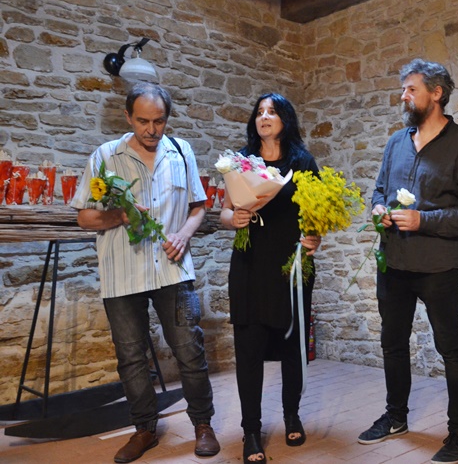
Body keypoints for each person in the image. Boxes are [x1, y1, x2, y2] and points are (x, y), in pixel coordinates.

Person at [72, 82, 219, 463]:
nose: (152, 129)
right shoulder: (105, 156)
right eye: (143, 121)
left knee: (189, 349)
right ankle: (144, 430)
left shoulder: (181, 151)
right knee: (131, 357)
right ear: (127, 117)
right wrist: (121, 215)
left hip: (173, 270)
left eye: (159, 121)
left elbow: (199, 207)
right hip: (122, 274)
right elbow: (84, 216)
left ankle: (203, 424)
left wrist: (184, 234)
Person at [357, 59, 458, 464]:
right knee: (393, 344)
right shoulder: (396, 142)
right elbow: (379, 190)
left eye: (411, 89)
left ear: (436, 93)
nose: (403, 96)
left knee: (451, 347)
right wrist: (379, 210)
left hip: (438, 266)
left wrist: (423, 220)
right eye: (403, 89)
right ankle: (395, 417)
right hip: (394, 261)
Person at [219, 93, 321, 464]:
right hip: (250, 265)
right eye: (259, 112)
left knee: (293, 345)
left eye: (272, 112)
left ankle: (292, 414)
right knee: (249, 350)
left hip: (291, 266)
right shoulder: (241, 161)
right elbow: (224, 213)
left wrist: (316, 237)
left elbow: (316, 216)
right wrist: (234, 219)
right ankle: (251, 430)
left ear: (285, 119)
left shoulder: (303, 162)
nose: (264, 117)